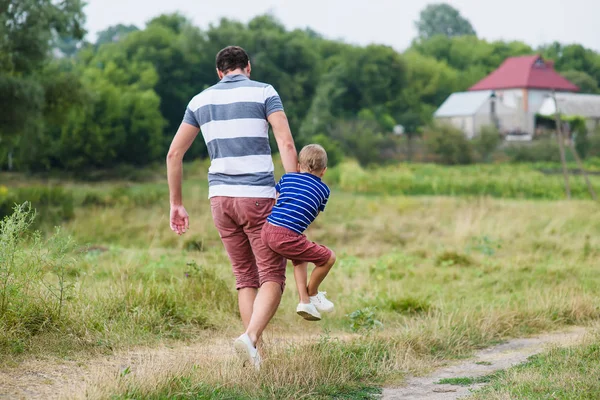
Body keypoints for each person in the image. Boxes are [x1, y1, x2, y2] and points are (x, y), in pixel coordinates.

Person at [166, 46, 298, 370]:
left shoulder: (199, 101)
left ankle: (256, 358)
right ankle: (250, 338)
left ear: (219, 72)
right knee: (272, 276)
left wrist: (176, 204)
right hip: (257, 196)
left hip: (220, 201)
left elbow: (173, 154)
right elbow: (286, 143)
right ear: (248, 67)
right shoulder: (265, 92)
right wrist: (294, 190)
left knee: (245, 277)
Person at [261, 144, 336, 321]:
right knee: (329, 258)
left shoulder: (287, 178)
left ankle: (304, 302)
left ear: (298, 166)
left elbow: (276, 199)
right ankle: (313, 293)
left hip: (267, 229)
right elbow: (313, 214)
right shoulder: (324, 190)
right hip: (286, 235)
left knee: (299, 257)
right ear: (323, 171)